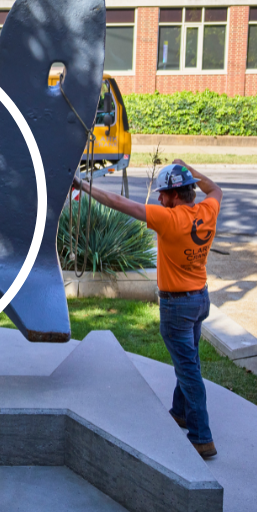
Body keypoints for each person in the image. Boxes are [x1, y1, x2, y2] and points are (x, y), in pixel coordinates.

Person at [73, 160, 222, 459]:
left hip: (177, 306)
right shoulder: (208, 210)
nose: (160, 199)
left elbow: (118, 202)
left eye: (163, 194)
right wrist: (189, 170)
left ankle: (202, 437)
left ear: (175, 195)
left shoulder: (169, 219)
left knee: (189, 370)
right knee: (188, 359)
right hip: (199, 299)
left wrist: (82, 186)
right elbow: (215, 189)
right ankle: (180, 413)